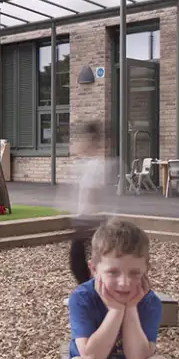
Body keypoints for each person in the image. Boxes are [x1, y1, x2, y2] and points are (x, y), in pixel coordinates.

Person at [60, 219, 176, 359]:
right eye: (113, 272)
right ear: (94, 269)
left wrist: (130, 308)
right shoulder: (83, 298)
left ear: (146, 271)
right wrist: (115, 310)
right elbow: (92, 357)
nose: (124, 283)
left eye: (135, 273)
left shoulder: (149, 302)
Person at [71, 121, 110, 284]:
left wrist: (89, 217)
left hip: (90, 218)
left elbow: (94, 193)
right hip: (85, 217)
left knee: (80, 261)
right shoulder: (86, 164)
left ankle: (93, 287)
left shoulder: (96, 166)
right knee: (79, 260)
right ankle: (91, 286)